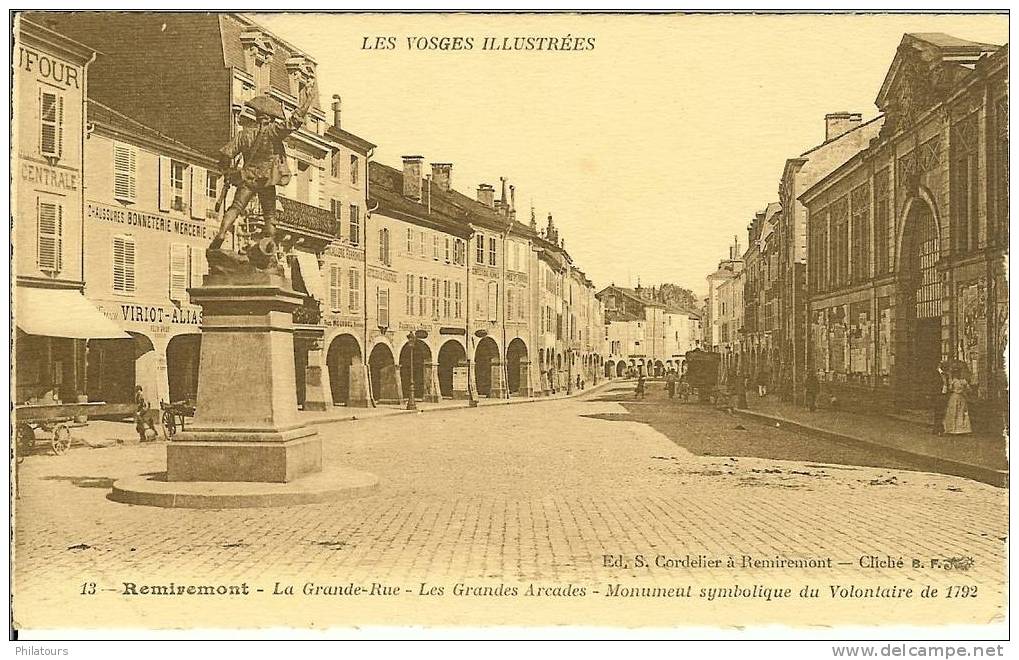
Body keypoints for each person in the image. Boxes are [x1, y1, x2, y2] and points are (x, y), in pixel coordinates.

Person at [209, 76, 318, 251]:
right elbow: (294, 121)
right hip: (267, 180)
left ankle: (221, 233)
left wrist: (228, 171)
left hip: (248, 178)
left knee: (235, 207)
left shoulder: (244, 135)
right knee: (270, 215)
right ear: (269, 118)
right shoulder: (274, 132)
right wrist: (308, 101)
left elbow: (225, 154)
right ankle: (268, 247)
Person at [943, 365, 972, 435]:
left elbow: (969, 390)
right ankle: (954, 429)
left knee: (960, 412)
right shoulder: (958, 381)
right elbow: (969, 390)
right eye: (956, 373)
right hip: (956, 397)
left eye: (958, 372)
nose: (957, 374)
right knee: (955, 412)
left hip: (958, 397)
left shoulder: (959, 381)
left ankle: (960, 429)